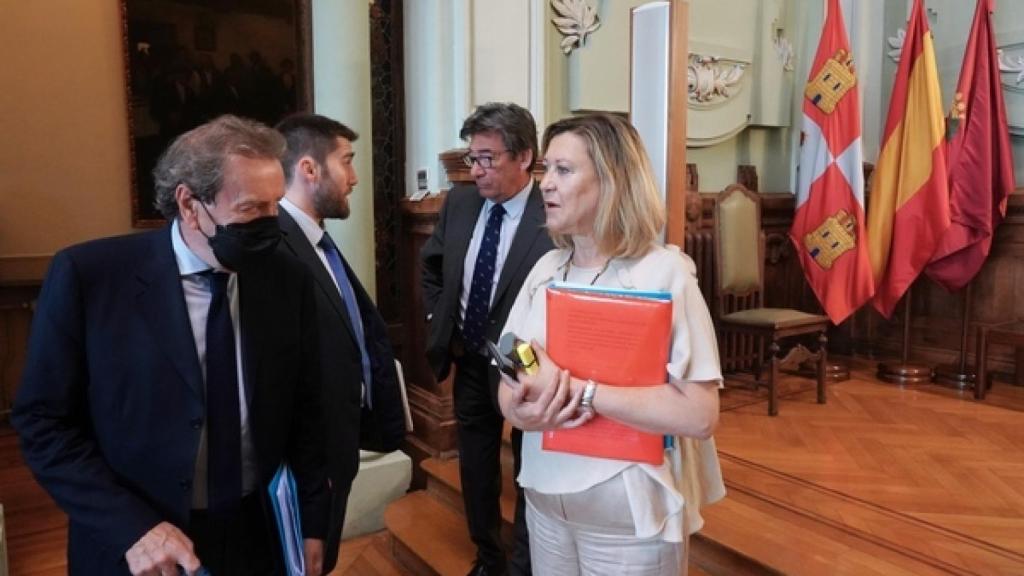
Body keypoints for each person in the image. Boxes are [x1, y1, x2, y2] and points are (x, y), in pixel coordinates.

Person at [12, 115, 329, 576]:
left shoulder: (287, 279)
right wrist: (131, 527)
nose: (270, 224)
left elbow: (307, 409)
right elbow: (43, 423)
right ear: (189, 204)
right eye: (250, 208)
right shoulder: (90, 278)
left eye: (274, 206)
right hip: (137, 544)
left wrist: (313, 521)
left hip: (255, 535)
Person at [498, 113, 725, 576]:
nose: (545, 184)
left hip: (627, 524)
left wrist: (581, 392)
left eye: (564, 170)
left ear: (612, 181)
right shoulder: (545, 269)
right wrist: (518, 411)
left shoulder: (664, 274)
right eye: (546, 169)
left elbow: (700, 415)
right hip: (544, 505)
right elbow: (509, 369)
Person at [421, 102, 554, 576]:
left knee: (529, 467)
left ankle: (524, 563)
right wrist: (441, 316)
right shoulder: (460, 203)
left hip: (527, 367)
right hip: (470, 357)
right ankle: (489, 557)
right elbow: (432, 266)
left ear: (524, 157)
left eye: (487, 158)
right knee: (476, 467)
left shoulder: (552, 213)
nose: (475, 170)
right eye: (472, 157)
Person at [275, 113, 407, 574]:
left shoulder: (315, 241)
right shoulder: (277, 246)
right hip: (308, 461)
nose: (354, 177)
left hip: (337, 445)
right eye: (346, 161)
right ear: (309, 169)